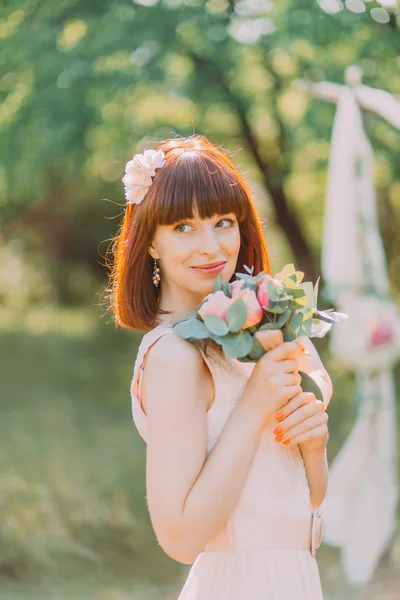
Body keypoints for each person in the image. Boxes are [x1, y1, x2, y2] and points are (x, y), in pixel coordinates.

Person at [108, 135, 333, 599]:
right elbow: (181, 538)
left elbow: (297, 504)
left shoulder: (236, 348)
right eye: (183, 227)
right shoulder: (173, 355)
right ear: (150, 241)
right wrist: (254, 409)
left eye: (223, 222)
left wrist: (313, 446)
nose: (211, 247)